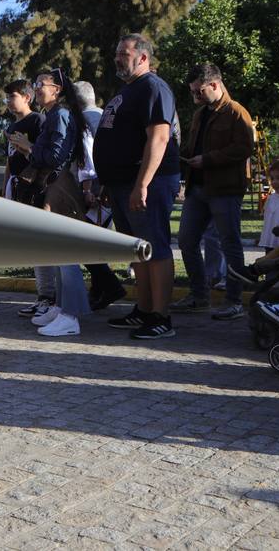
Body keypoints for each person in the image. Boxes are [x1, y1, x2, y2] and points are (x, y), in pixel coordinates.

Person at [94, 34, 181, 340]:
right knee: (137, 249)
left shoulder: (153, 87)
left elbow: (158, 138)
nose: (117, 58)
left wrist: (142, 183)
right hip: (121, 183)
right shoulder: (128, 90)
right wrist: (108, 180)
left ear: (143, 57)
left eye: (124, 53)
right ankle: (143, 310)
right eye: (116, 53)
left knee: (154, 248)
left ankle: (161, 317)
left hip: (148, 182)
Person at [172, 63, 255, 321]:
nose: (195, 97)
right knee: (186, 240)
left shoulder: (237, 113)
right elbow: (190, 146)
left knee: (230, 244)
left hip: (225, 190)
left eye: (198, 91)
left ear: (215, 85)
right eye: (192, 92)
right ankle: (199, 295)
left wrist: (207, 159)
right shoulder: (200, 113)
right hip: (197, 188)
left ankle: (233, 301)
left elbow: (244, 149)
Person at [14, 70, 94, 337]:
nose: (36, 89)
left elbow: (56, 155)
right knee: (59, 253)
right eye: (35, 84)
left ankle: (71, 316)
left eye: (41, 85)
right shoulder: (55, 114)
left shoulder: (59, 115)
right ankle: (62, 308)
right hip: (55, 186)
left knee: (65, 254)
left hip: (60, 188)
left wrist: (29, 147)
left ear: (57, 89)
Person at [2, 80, 54, 316]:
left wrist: (27, 146)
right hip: (18, 187)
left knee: (43, 243)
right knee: (33, 245)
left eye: (12, 96)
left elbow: (44, 156)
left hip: (36, 189)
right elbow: (9, 161)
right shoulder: (13, 125)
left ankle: (49, 297)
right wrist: (6, 190)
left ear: (26, 97)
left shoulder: (38, 121)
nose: (8, 102)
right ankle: (42, 295)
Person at [73, 80, 126, 308]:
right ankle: (100, 291)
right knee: (95, 245)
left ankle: (109, 288)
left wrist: (87, 189)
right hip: (110, 185)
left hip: (93, 188)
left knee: (83, 244)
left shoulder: (82, 121)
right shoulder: (107, 116)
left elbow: (87, 157)